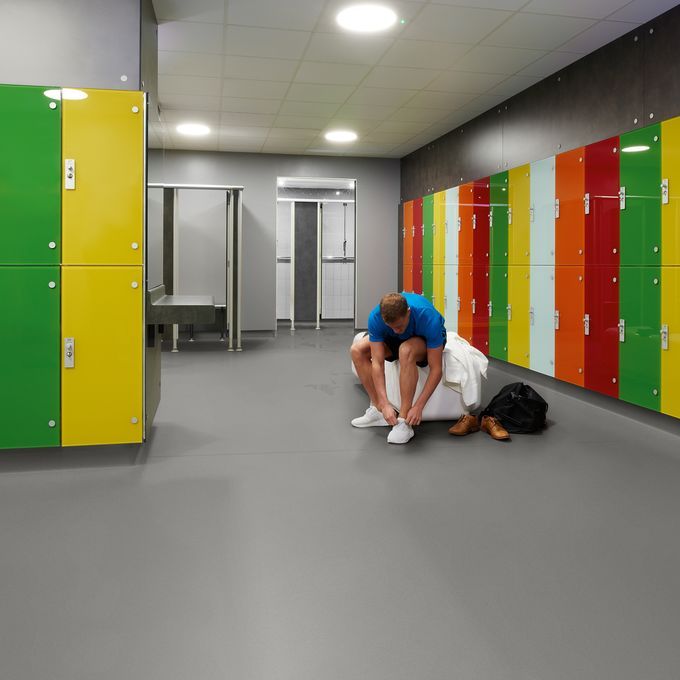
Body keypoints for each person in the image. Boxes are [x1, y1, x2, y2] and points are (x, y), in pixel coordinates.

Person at [350, 292, 446, 444]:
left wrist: (419, 406)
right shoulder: (376, 317)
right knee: (357, 351)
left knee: (405, 350)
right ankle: (378, 410)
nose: (396, 330)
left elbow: (436, 369)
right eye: (391, 327)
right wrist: (384, 403)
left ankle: (403, 421)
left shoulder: (427, 317)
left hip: (420, 340)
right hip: (395, 341)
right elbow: (377, 362)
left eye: (399, 326)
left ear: (408, 312)